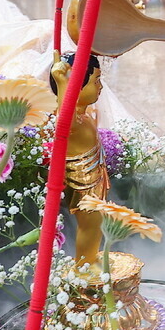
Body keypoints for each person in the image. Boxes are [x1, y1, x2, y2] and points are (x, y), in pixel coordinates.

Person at [50, 51, 108, 267]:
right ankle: (84, 266)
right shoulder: (70, 120)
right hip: (83, 184)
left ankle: (90, 258)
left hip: (95, 179)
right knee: (90, 224)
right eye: (96, 80)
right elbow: (64, 117)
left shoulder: (83, 115)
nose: (100, 86)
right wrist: (62, 82)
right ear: (77, 86)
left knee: (97, 222)